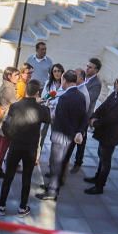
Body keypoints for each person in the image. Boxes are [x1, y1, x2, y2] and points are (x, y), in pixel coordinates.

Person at [0, 79, 50, 216]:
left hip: (16, 145)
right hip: (30, 148)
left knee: (9, 176)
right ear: (37, 93)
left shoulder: (15, 106)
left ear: (26, 90)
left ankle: (1, 205)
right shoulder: (41, 109)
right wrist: (43, 105)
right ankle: (22, 207)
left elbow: (6, 125)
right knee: (27, 177)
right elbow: (48, 119)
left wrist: (11, 137)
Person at [36, 70, 87, 201]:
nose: (61, 83)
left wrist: (50, 115)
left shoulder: (64, 98)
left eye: (62, 80)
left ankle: (52, 192)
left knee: (55, 165)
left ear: (65, 80)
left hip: (61, 137)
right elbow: (84, 117)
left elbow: (61, 119)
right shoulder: (81, 96)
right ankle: (52, 187)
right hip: (70, 137)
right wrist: (78, 132)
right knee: (60, 164)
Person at [84, 74, 118, 195]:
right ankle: (97, 177)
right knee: (101, 155)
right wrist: (94, 116)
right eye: (116, 80)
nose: (115, 82)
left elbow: (113, 118)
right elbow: (103, 107)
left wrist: (96, 123)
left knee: (105, 160)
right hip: (104, 132)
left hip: (111, 135)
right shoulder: (115, 94)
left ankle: (99, 186)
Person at [69, 58, 102, 174]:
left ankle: (78, 163)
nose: (87, 68)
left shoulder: (96, 83)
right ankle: (69, 160)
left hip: (84, 115)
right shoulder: (84, 78)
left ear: (96, 70)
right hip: (75, 113)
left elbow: (89, 98)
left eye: (90, 67)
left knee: (80, 140)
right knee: (74, 138)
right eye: (87, 66)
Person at [0, 66, 20, 177]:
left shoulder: (6, 85)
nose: (18, 77)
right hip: (7, 121)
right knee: (3, 147)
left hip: (2, 120)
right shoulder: (9, 88)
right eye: (16, 75)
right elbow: (16, 104)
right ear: (9, 76)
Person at [38, 63, 65, 162]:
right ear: (52, 73)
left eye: (59, 71)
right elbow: (44, 97)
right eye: (55, 71)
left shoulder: (65, 84)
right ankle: (37, 156)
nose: (57, 73)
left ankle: (52, 161)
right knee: (41, 134)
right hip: (47, 111)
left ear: (62, 72)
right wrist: (49, 100)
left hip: (58, 114)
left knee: (55, 138)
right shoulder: (48, 83)